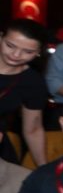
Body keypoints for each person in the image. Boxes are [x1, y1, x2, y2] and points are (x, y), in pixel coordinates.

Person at [0, 19, 48, 166]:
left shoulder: (32, 82)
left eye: (28, 52)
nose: (16, 55)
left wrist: (43, 169)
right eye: (10, 45)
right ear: (0, 37)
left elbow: (33, 129)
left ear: (39, 52)